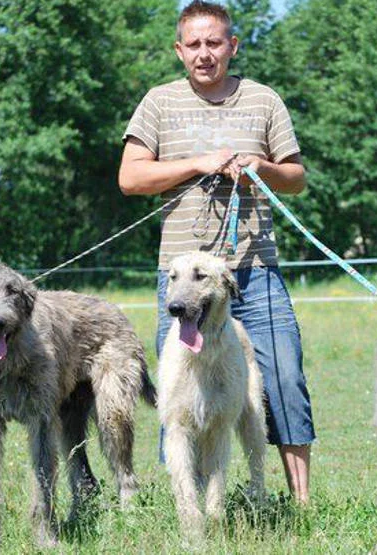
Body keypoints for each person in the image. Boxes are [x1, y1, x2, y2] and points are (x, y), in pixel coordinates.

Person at [117, 0, 313, 504]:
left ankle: (300, 505)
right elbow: (131, 177)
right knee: (181, 396)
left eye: (215, 42)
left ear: (232, 45)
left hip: (254, 271)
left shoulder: (263, 99)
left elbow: (296, 179)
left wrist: (261, 167)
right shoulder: (158, 102)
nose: (205, 54)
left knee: (284, 379)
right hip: (184, 279)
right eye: (194, 44)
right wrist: (199, 162)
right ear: (180, 50)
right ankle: (192, 507)